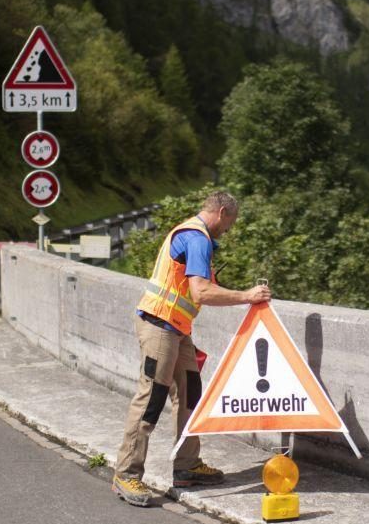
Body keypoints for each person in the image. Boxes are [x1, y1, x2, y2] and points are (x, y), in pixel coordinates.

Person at [112, 191, 272, 507]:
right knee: (151, 398)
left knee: (191, 395)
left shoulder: (192, 234)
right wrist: (247, 295)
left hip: (177, 329)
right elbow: (200, 292)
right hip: (160, 326)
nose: (228, 229)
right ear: (223, 212)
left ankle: (186, 466)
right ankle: (126, 473)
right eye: (230, 222)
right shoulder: (197, 239)